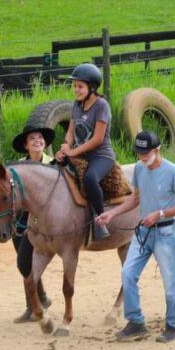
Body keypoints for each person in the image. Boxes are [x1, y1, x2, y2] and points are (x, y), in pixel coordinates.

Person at [96, 131, 175, 343]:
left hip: (166, 232)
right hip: (143, 232)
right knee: (128, 273)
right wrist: (112, 213)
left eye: (146, 153)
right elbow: (135, 199)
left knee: (170, 280)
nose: (142, 158)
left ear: (157, 150)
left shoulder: (172, 171)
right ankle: (136, 322)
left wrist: (160, 214)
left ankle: (173, 326)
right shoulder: (139, 169)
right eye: (139, 154)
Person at [0, 125, 55, 322]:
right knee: (25, 263)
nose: (37, 141)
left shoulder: (54, 163)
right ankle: (38, 301)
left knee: (24, 262)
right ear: (26, 145)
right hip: (20, 220)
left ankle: (35, 305)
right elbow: (5, 196)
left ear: (45, 143)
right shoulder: (17, 168)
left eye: (40, 138)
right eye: (32, 139)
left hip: (42, 222)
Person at [55, 63, 116, 240]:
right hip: (80, 153)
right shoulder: (76, 105)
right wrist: (65, 149)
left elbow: (97, 139)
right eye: (74, 86)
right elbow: (71, 131)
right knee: (54, 168)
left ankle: (100, 219)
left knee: (90, 178)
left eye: (80, 86)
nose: (76, 90)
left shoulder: (102, 106)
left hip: (101, 155)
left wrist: (73, 153)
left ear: (92, 87)